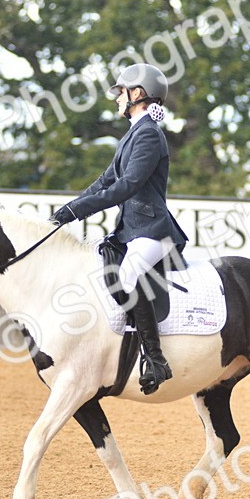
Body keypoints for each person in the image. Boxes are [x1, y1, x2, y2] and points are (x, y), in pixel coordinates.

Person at [49, 63, 187, 395]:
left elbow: (127, 186)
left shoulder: (150, 136)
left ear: (137, 94)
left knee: (128, 277)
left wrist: (78, 210)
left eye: (120, 93)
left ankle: (155, 360)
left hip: (153, 230)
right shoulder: (131, 136)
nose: (116, 100)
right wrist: (68, 210)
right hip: (130, 231)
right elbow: (105, 181)